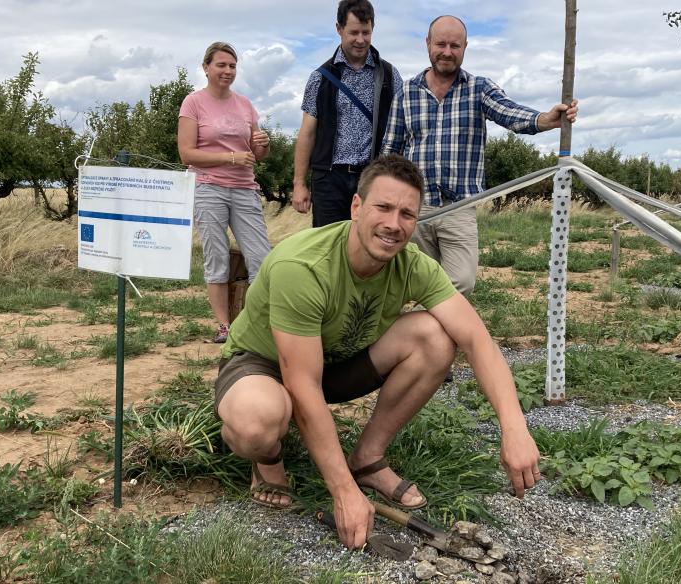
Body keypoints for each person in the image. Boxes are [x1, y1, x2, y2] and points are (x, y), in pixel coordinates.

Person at [215, 155, 542, 550]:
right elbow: (302, 383)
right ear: (356, 207)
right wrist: (342, 492)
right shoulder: (302, 265)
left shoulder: (414, 265)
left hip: (335, 363)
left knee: (436, 337)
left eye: (407, 213)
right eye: (383, 207)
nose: (394, 224)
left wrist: (514, 428)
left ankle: (367, 458)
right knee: (257, 421)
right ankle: (268, 461)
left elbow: (477, 340)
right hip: (265, 365)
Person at [382, 15, 579, 296]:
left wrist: (545, 119)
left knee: (461, 281)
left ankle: (434, 329)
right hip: (416, 207)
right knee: (414, 282)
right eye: (441, 44)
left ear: (465, 48)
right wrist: (378, 196)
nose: (447, 52)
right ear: (427, 43)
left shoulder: (479, 88)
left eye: (455, 45)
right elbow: (391, 152)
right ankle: (433, 338)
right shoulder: (406, 92)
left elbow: (508, 112)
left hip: (460, 205)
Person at [178, 42, 272, 343]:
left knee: (261, 258)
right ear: (206, 67)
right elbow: (186, 154)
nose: (227, 71)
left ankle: (253, 322)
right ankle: (224, 327)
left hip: (244, 188)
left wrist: (264, 144)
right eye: (221, 65)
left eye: (232, 66)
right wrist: (229, 158)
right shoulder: (193, 103)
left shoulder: (245, 105)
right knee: (216, 257)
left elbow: (257, 154)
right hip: (208, 186)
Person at [291, 0, 403, 227]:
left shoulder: (390, 76)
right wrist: (299, 184)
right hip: (329, 178)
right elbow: (308, 133)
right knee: (327, 246)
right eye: (353, 32)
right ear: (339, 29)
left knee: (369, 245)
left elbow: (401, 128)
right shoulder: (319, 78)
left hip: (372, 178)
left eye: (366, 32)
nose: (360, 40)